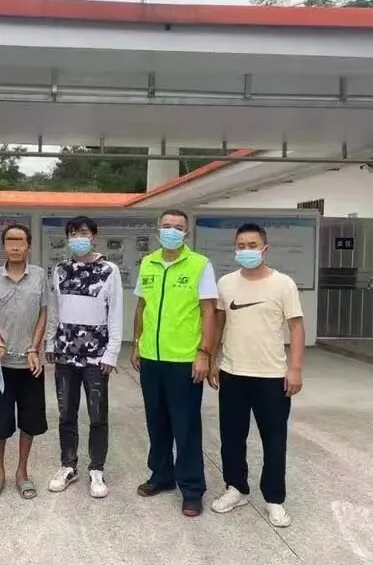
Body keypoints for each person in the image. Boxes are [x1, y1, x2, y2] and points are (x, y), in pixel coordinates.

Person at [208, 222, 305, 528]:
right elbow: (220, 324)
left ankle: (274, 499)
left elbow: (296, 326)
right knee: (231, 437)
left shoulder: (283, 284)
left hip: (272, 376)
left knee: (274, 440)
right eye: (241, 246)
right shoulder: (226, 283)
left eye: (252, 245)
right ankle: (236, 488)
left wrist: (295, 368)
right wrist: (212, 359)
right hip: (233, 372)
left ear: (265, 249)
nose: (246, 250)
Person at [131, 208, 218, 518]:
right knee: (156, 423)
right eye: (166, 226)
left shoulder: (200, 264)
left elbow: (209, 311)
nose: (171, 231)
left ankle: (192, 489)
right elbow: (141, 305)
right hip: (151, 358)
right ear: (158, 229)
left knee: (186, 426)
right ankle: (162, 475)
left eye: (178, 227)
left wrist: (204, 353)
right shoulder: (148, 262)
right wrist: (136, 343)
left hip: (184, 360)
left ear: (187, 233)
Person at [44, 215, 123, 499]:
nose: (78, 238)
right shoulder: (61, 269)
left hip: (96, 358)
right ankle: (68, 465)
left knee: (97, 416)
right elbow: (54, 309)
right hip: (65, 355)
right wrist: (50, 341)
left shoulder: (109, 270)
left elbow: (116, 312)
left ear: (94, 237)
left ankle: (96, 469)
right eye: (73, 234)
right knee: (66, 414)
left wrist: (112, 352)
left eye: (84, 233)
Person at [0, 223, 49, 501]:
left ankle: (22, 472)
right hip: (1, 365)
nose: (14, 246)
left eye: (20, 241)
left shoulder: (39, 276)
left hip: (30, 365)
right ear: (3, 246)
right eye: (9, 241)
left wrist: (35, 347)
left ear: (28, 247)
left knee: (30, 421)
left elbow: (43, 313)